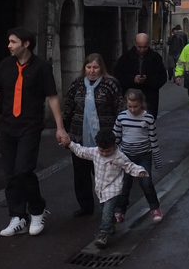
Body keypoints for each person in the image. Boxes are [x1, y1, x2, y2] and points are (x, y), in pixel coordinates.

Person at [0, 26, 66, 238]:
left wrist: (60, 127)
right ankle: (18, 216)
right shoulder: (5, 65)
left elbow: (52, 97)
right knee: (10, 174)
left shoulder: (42, 67)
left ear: (26, 44)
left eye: (13, 42)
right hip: (8, 127)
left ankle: (37, 210)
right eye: (9, 42)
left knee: (24, 170)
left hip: (30, 126)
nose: (9, 46)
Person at [62, 54, 124, 217]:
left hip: (104, 138)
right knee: (81, 175)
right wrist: (62, 129)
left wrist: (119, 133)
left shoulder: (111, 85)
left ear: (101, 68)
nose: (92, 71)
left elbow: (119, 108)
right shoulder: (77, 84)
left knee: (105, 174)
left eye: (95, 67)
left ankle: (109, 207)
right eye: (88, 67)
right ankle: (85, 206)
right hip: (79, 137)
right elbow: (68, 107)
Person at [66, 128, 147, 248]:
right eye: (101, 150)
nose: (103, 153)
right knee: (104, 209)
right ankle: (111, 224)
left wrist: (140, 171)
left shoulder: (119, 157)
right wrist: (70, 144)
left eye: (107, 151)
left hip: (113, 188)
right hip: (100, 188)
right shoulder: (95, 152)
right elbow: (81, 151)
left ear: (114, 146)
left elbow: (129, 166)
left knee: (106, 212)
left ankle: (103, 234)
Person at [113, 88, 162, 223]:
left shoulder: (148, 118)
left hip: (143, 156)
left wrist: (157, 160)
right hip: (126, 156)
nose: (133, 110)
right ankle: (120, 210)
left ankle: (154, 207)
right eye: (130, 107)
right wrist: (112, 155)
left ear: (142, 104)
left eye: (136, 106)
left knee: (146, 183)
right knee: (124, 185)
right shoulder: (122, 117)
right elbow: (116, 137)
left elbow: (153, 139)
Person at [114, 33, 168, 119]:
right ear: (135, 44)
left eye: (145, 47)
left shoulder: (156, 58)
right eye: (139, 47)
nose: (142, 50)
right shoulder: (125, 58)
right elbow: (118, 77)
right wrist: (133, 80)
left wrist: (147, 80)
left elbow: (162, 78)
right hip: (130, 99)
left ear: (148, 44)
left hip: (149, 98)